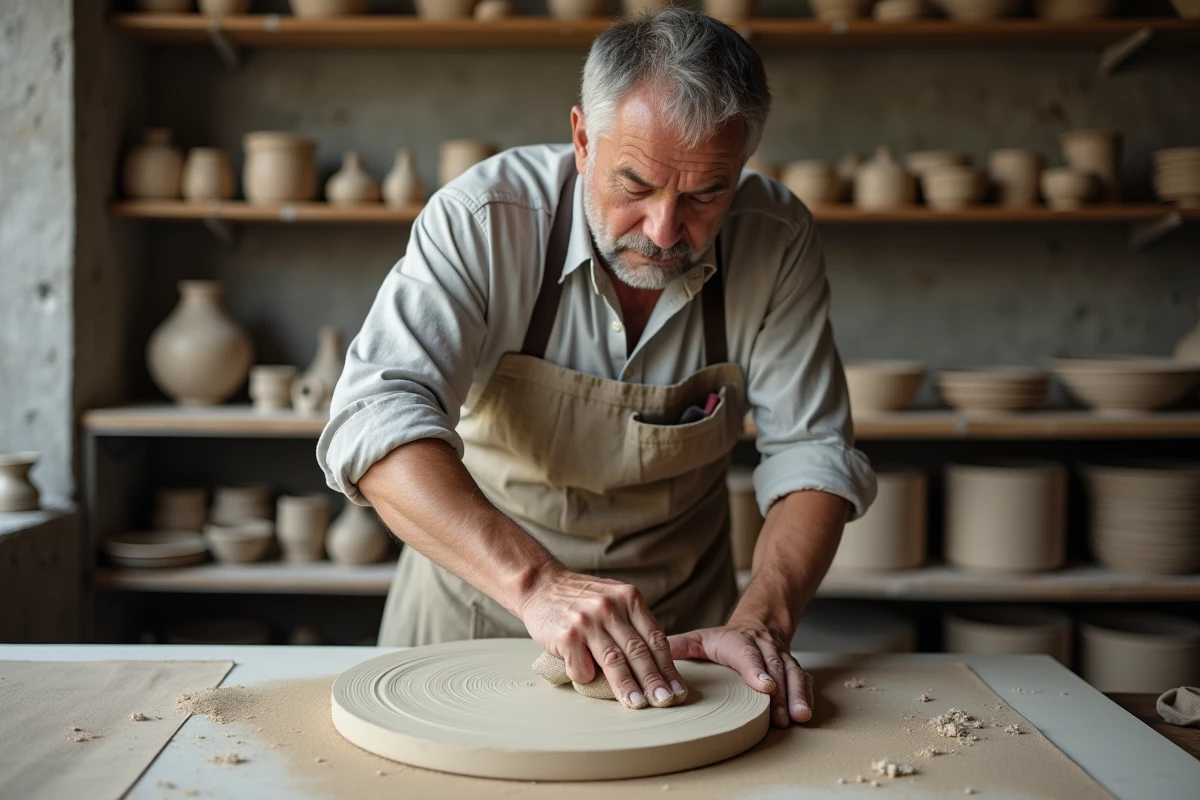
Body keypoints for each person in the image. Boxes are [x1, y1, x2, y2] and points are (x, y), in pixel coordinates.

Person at [317, 7, 875, 729]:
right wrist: (537, 584)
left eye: (707, 193)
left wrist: (761, 624)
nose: (665, 231)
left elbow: (813, 454)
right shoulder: (486, 219)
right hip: (479, 617)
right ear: (583, 139)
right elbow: (374, 418)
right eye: (636, 184)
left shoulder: (775, 239)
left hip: (683, 647)